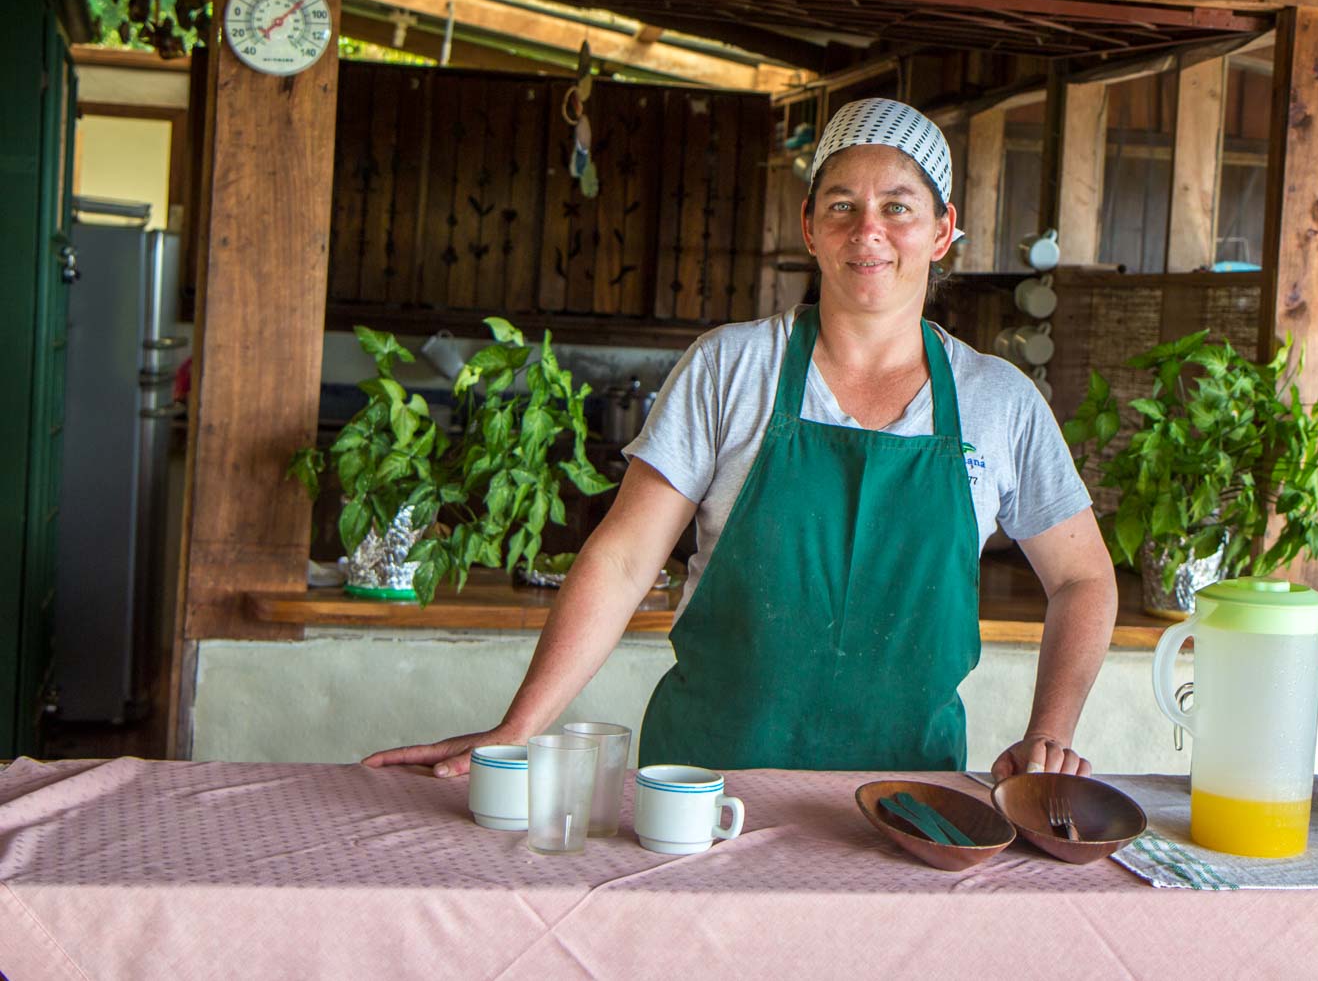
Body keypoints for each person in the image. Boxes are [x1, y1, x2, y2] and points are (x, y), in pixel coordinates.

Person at [364, 98, 1117, 781]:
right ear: (808, 227)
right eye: (842, 205)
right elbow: (624, 559)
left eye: (898, 207)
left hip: (907, 798)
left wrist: (1050, 733)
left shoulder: (1000, 403)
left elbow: (1084, 578)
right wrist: (521, 727)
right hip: (703, 784)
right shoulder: (731, 366)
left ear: (944, 230)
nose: (869, 231)